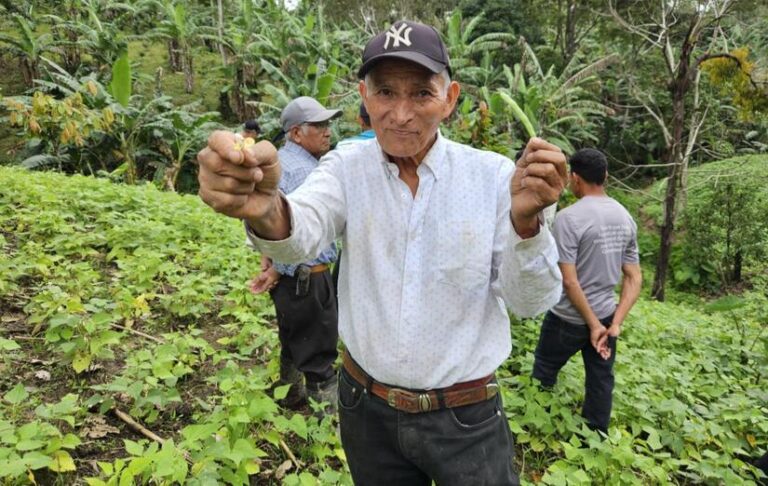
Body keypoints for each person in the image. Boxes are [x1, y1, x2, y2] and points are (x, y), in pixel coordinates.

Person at [198, 20, 567, 485]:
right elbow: (304, 226)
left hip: (466, 418)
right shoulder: (346, 167)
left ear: (450, 98)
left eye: (421, 94)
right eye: (386, 92)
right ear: (364, 96)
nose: (400, 113)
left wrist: (527, 225)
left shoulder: (496, 180)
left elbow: (531, 302)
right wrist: (265, 208)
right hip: (366, 409)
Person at [532, 148, 642, 434]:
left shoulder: (569, 218)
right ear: (605, 176)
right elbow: (633, 277)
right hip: (606, 317)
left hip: (567, 320)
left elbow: (569, 281)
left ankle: (537, 424)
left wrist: (593, 325)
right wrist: (613, 324)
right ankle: (595, 437)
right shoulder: (625, 216)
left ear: (575, 178)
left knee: (544, 368)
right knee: (601, 379)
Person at [248, 96, 342, 412]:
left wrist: (271, 265)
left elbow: (265, 221)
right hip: (308, 279)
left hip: (289, 280)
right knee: (319, 351)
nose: (327, 131)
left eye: (327, 124)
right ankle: (323, 420)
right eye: (319, 125)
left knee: (292, 338)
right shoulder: (307, 171)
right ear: (297, 133)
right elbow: (306, 240)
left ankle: (288, 394)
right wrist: (278, 267)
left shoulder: (281, 164)